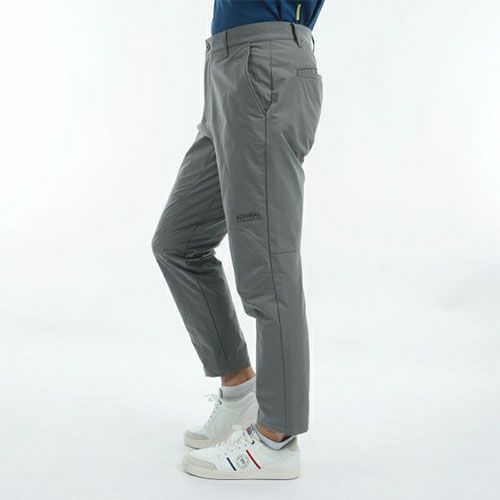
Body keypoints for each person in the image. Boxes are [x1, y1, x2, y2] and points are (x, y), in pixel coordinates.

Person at [152, 0, 325, 480]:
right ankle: (239, 390)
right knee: (178, 242)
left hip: (263, 66)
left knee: (268, 266)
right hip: (226, 69)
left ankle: (275, 440)